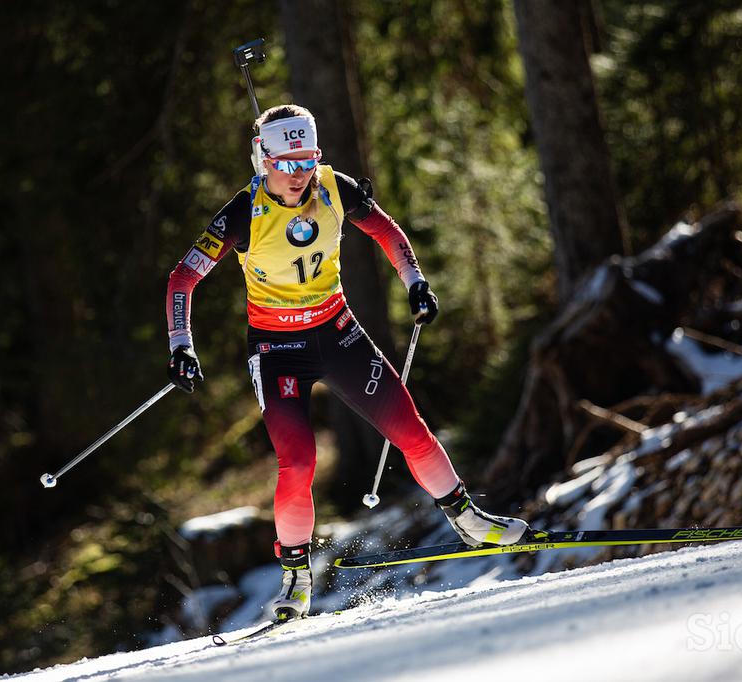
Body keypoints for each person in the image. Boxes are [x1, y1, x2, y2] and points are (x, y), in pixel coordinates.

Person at [165, 104, 527, 620]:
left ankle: (470, 522)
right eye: (285, 163)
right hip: (276, 350)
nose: (298, 175)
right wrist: (182, 345)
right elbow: (183, 278)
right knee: (299, 461)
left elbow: (388, 233)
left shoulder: (336, 188)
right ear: (261, 159)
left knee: (412, 432)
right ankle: (295, 579)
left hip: (338, 334)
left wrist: (416, 282)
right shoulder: (242, 214)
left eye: (307, 160)